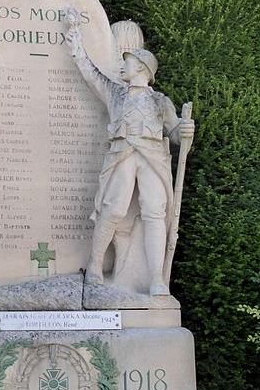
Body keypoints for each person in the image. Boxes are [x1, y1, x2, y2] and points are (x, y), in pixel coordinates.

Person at [65, 18, 194, 295]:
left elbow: (173, 134)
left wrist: (185, 131)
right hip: (122, 153)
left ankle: (156, 279)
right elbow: (90, 73)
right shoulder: (115, 94)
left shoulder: (161, 101)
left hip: (153, 158)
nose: (123, 65)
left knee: (154, 213)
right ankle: (96, 267)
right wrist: (76, 42)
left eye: (128, 62)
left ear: (141, 69)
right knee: (112, 208)